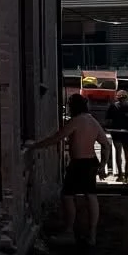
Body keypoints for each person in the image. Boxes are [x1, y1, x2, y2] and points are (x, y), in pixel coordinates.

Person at [30, 93, 111, 246]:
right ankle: (92, 235)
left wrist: (35, 146)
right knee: (90, 196)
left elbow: (57, 138)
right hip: (91, 162)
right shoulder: (93, 121)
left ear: (73, 106)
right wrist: (102, 165)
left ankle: (69, 232)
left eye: (68, 106)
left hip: (79, 163)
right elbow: (106, 145)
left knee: (67, 195)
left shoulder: (76, 121)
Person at [104, 88, 128, 182]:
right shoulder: (113, 107)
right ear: (117, 99)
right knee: (118, 153)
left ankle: (126, 176)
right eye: (120, 99)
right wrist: (106, 127)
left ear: (126, 98)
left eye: (123, 99)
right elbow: (107, 119)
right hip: (116, 133)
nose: (122, 101)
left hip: (127, 134)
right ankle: (120, 174)